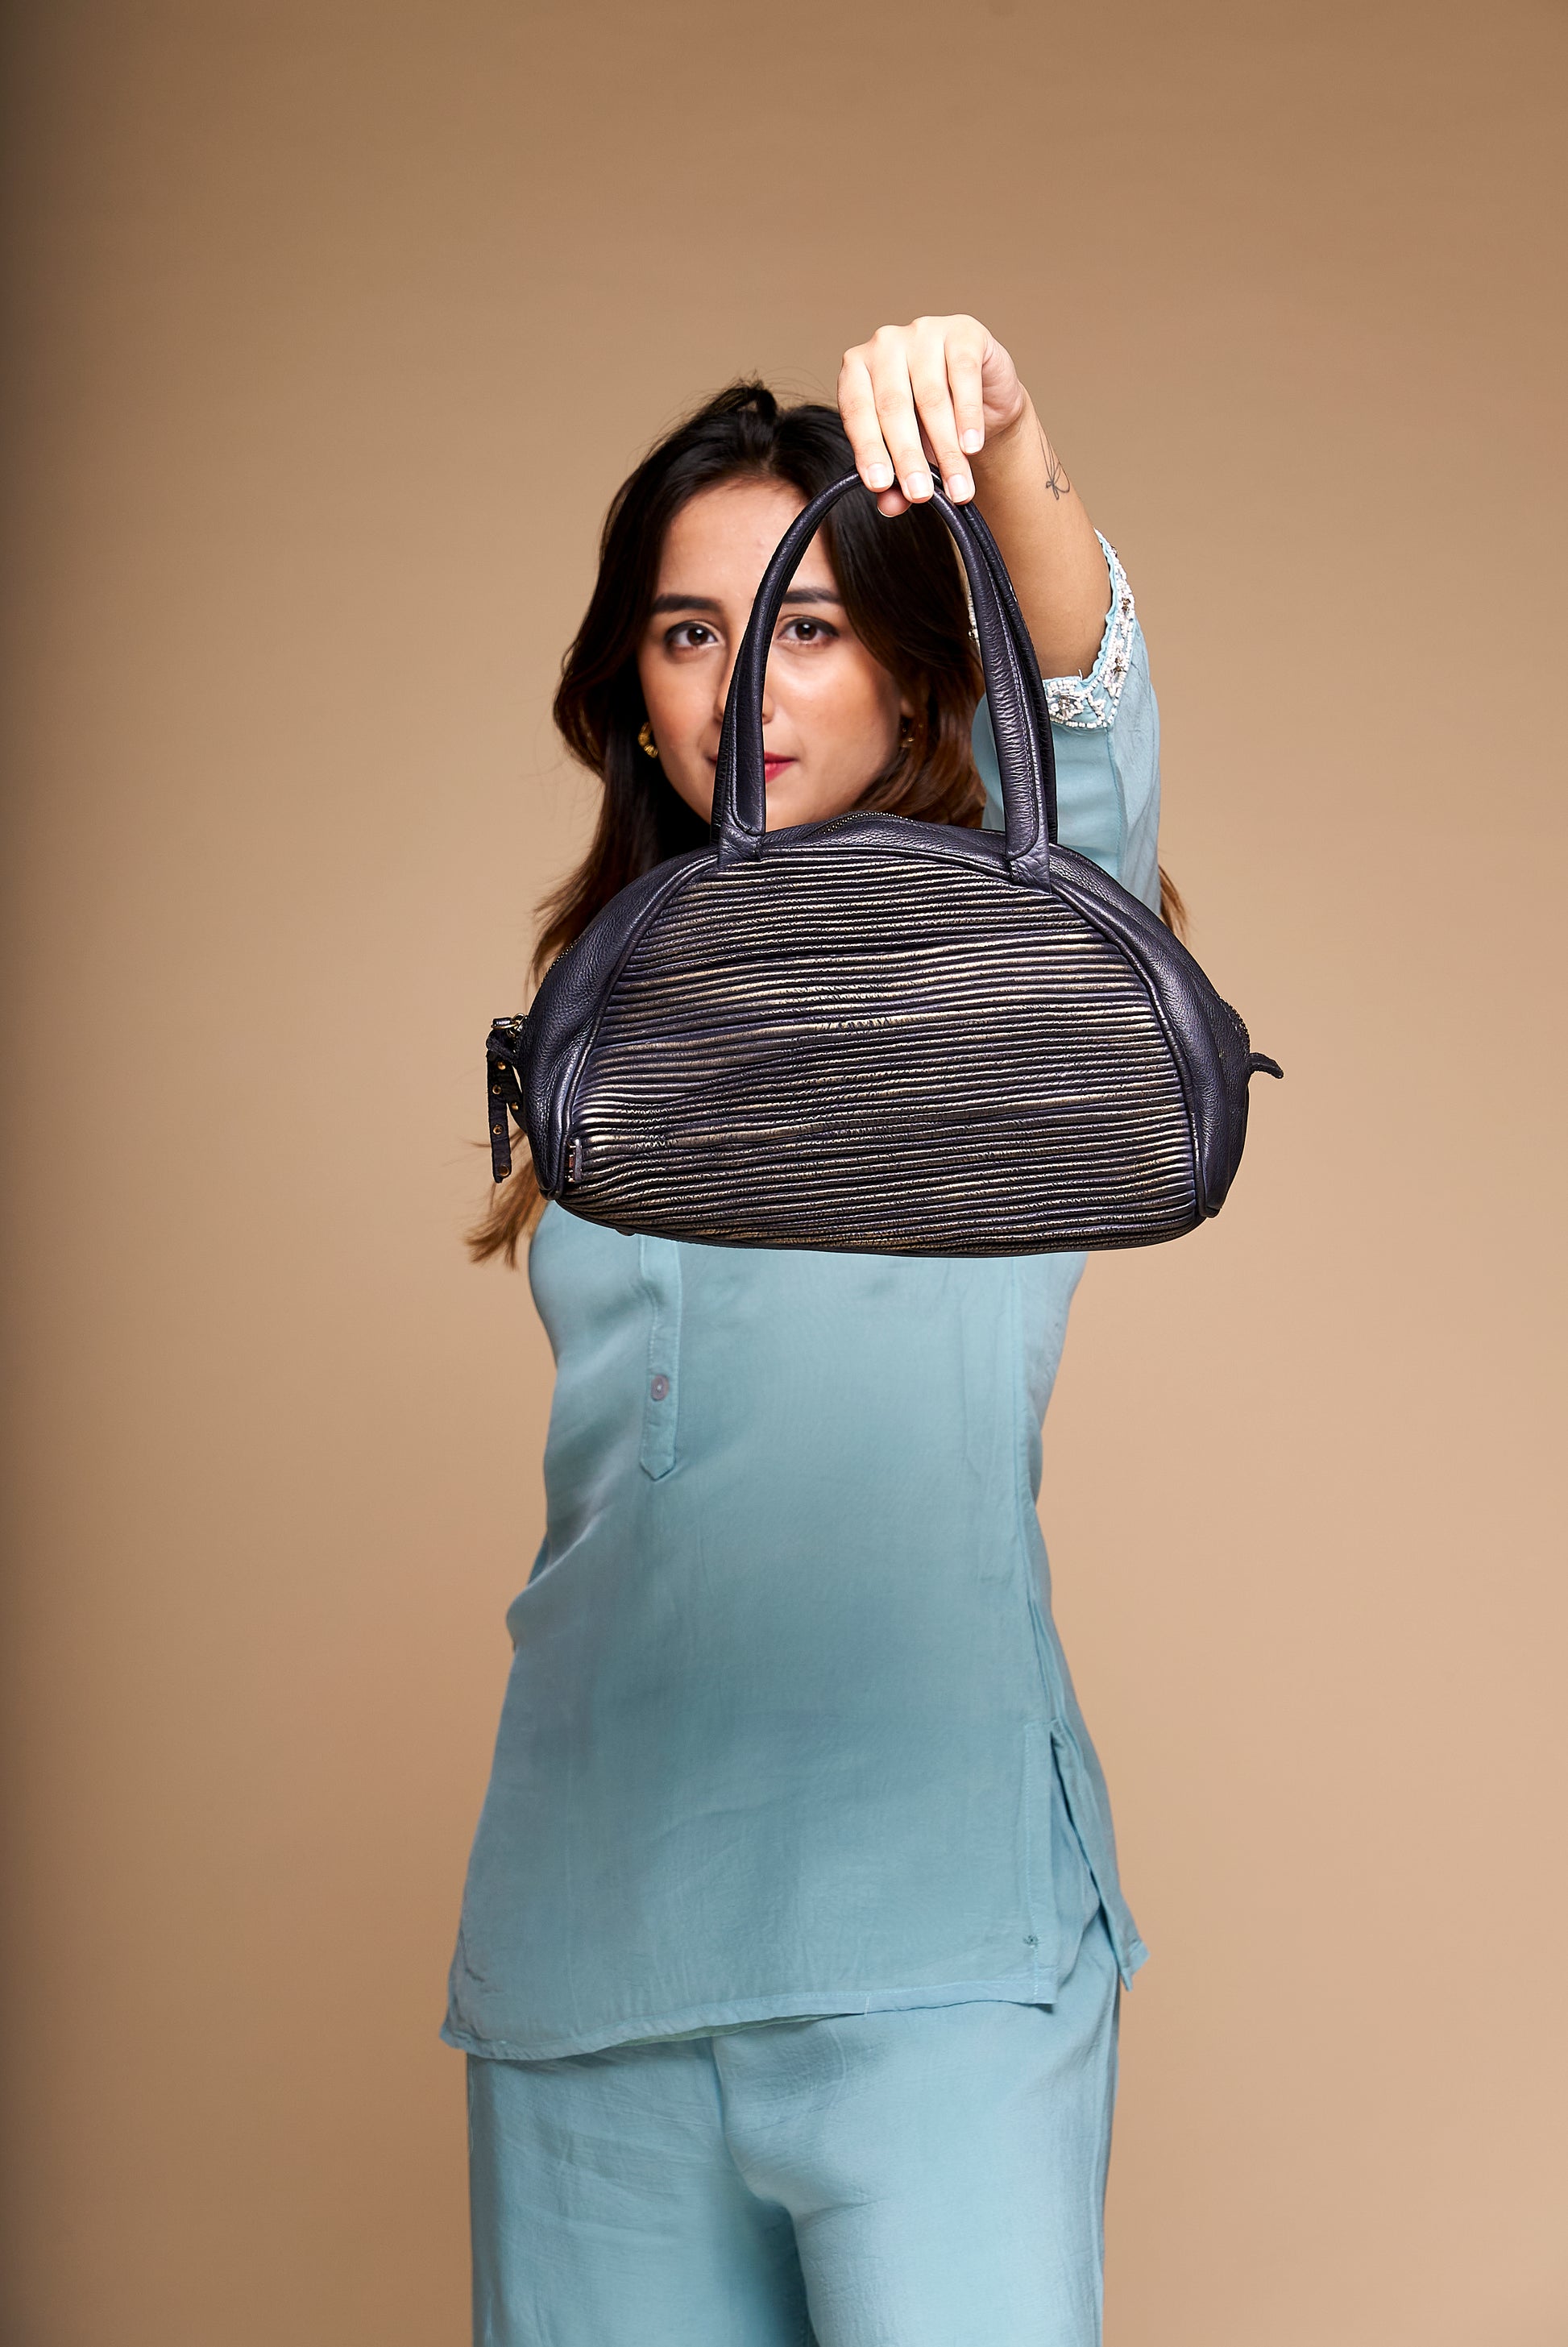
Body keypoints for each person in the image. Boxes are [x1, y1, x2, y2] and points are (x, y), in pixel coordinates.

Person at [446, 314, 1173, 2347]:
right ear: (632, 681)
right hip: (584, 1952)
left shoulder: (1017, 960)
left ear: (914, 668)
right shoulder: (599, 1009)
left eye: (814, 626)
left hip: (937, 1936)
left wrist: (1003, 431)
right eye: (689, 632)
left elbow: (1086, 705)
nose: (744, 678)